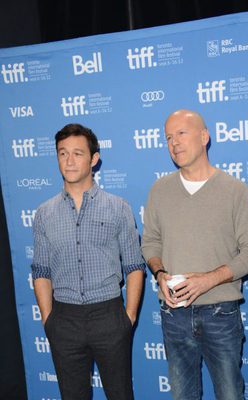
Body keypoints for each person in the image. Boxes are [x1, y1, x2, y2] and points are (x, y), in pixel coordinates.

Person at [141, 109, 248, 400]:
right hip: (173, 314)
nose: (174, 143)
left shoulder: (236, 191)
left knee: (230, 395)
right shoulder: (159, 190)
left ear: (204, 137)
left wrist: (209, 280)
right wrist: (159, 273)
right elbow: (151, 243)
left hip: (221, 312)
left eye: (181, 133)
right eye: (168, 137)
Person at [32, 123, 145, 400]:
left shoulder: (118, 207)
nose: (69, 160)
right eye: (62, 153)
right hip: (64, 319)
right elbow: (41, 271)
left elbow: (133, 266)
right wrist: (49, 320)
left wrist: (127, 318)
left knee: (120, 394)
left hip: (109, 315)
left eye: (78, 153)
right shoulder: (44, 214)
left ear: (94, 159)